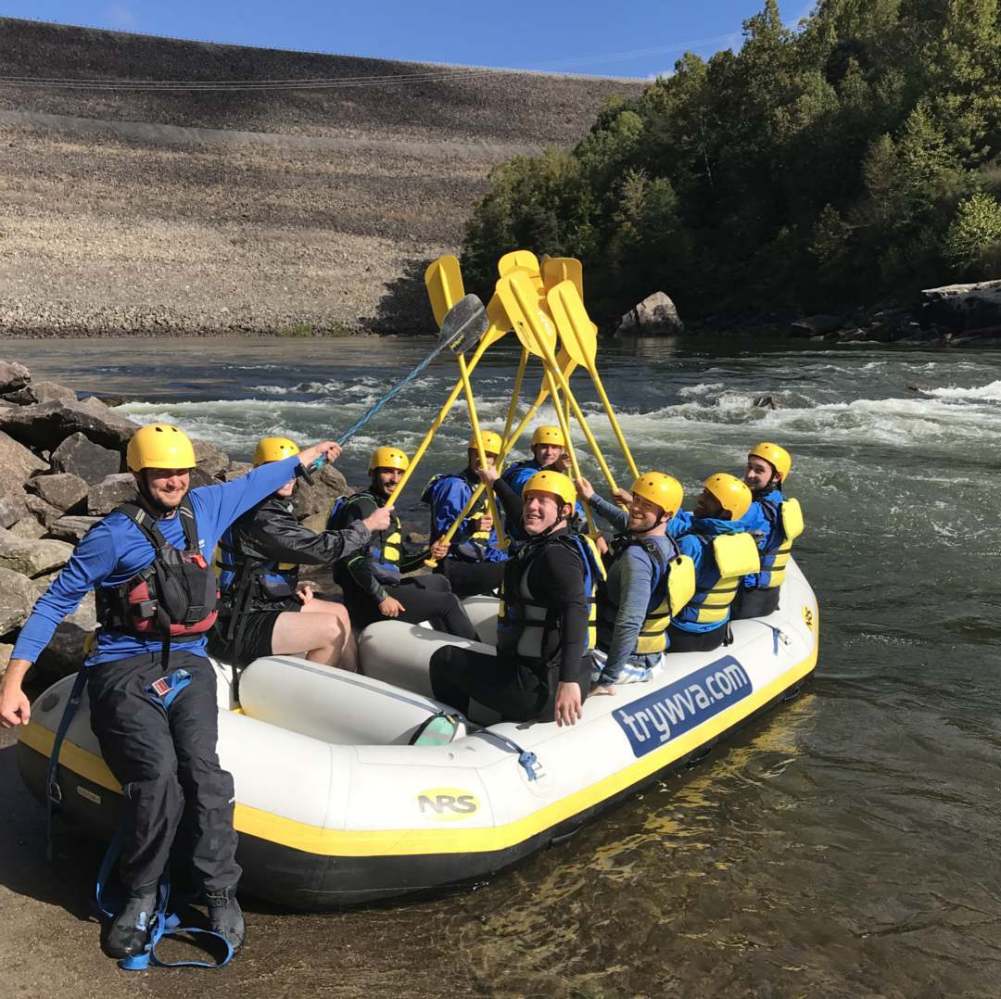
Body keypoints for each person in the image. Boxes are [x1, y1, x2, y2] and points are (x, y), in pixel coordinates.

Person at [0, 423, 342, 961]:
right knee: (156, 778)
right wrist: (13, 681)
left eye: (181, 470)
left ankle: (219, 892)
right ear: (140, 475)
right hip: (123, 665)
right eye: (162, 472)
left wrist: (306, 458)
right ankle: (139, 892)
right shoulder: (112, 536)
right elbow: (53, 603)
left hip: (188, 662)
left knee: (204, 772)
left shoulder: (207, 506)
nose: (174, 480)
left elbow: (261, 479)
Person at [429, 468, 603, 727]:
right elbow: (520, 516)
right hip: (563, 674)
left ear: (564, 511)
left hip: (540, 690)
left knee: (444, 659)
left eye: (542, 501)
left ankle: (458, 726)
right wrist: (496, 481)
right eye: (529, 499)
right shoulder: (568, 541)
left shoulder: (556, 557)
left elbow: (576, 612)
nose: (531, 506)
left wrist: (568, 682)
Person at [213, 436, 393, 671]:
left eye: (290, 469)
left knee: (339, 611)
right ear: (262, 473)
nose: (286, 477)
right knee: (330, 629)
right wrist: (367, 526)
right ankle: (311, 696)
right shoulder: (261, 517)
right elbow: (321, 550)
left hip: (264, 603)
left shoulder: (268, 503)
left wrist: (319, 461)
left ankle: (354, 681)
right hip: (239, 621)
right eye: (277, 470)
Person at [329, 446, 478, 639]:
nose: (395, 479)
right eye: (388, 471)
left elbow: (400, 564)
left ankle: (448, 640)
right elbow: (351, 558)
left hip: (382, 587)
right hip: (366, 598)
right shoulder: (363, 506)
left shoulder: (385, 507)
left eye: (400, 473)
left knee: (439, 581)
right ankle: (474, 653)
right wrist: (381, 597)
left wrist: (428, 553)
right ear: (372, 473)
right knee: (447, 602)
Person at [577, 472, 697, 690]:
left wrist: (607, 679)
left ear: (665, 515)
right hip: (651, 654)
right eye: (637, 499)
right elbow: (626, 522)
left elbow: (629, 623)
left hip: (629, 662)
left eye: (647, 505)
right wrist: (592, 498)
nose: (635, 508)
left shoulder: (637, 559)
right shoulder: (665, 540)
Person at [668, 473, 756, 653]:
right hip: (717, 632)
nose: (700, 497)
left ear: (725, 512)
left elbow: (662, 590)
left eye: (709, 497)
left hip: (681, 633)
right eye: (704, 492)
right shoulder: (743, 540)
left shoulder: (691, 544)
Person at [421, 430, 507, 599]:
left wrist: (503, 558)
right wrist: (471, 526)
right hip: (455, 566)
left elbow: (494, 540)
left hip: (480, 563)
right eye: (478, 454)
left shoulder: (490, 490)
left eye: (489, 456)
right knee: (513, 570)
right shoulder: (455, 486)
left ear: (496, 460)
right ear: (469, 454)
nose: (483, 460)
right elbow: (445, 532)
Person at [731, 441, 802, 619]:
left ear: (776, 477)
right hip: (767, 596)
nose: (749, 474)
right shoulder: (780, 501)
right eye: (749, 467)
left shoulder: (755, 512)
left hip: (745, 600)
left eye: (758, 470)